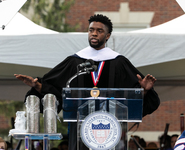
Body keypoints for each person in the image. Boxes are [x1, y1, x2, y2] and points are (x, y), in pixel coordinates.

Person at [15, 14, 160, 150]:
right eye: (91, 30)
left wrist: (145, 90)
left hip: (111, 131)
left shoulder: (119, 62)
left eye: (99, 31)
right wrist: (38, 86)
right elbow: (56, 90)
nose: (94, 34)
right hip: (79, 129)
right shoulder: (74, 62)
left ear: (107, 35)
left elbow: (133, 97)